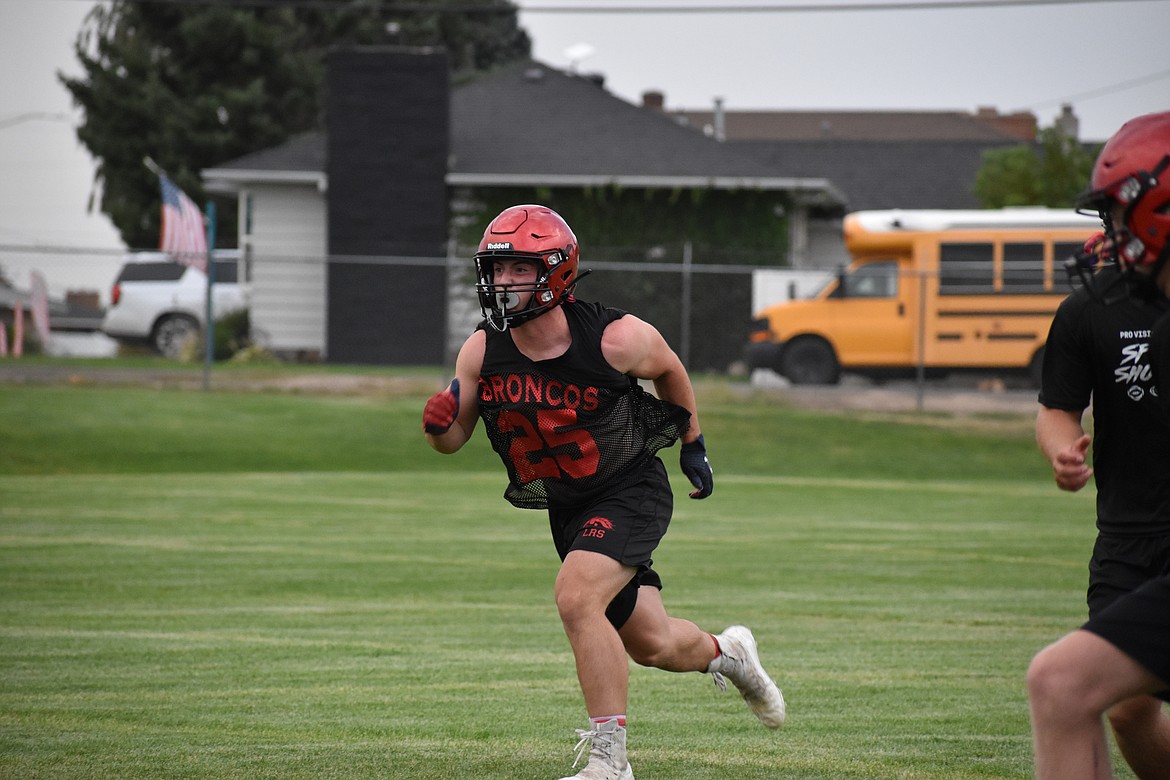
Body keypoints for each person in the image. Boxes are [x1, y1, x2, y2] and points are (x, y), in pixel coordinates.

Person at [422, 204, 785, 780]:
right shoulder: (480, 349)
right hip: (569, 507)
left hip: (629, 487)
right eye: (497, 268)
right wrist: (439, 424)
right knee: (654, 644)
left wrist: (692, 444)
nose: (502, 282)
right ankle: (730, 655)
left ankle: (610, 762)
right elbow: (454, 440)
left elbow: (670, 370)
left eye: (519, 268)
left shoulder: (616, 337)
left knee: (575, 597)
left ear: (556, 273)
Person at [1028, 110, 1170, 780]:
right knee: (1105, 701)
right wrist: (1063, 450)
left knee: (1063, 682)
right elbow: (1057, 408)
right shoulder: (1092, 308)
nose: (1110, 233)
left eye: (1118, 213)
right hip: (1128, 533)